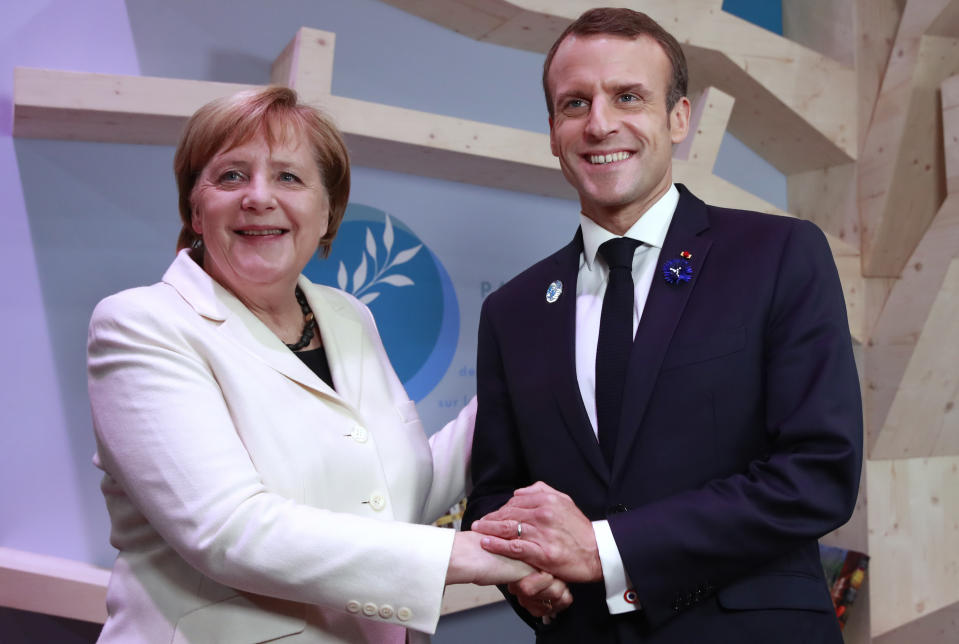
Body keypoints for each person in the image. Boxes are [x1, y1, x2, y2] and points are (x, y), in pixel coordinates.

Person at [86, 86, 546, 644]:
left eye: (288, 177)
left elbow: (390, 496)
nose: (258, 197)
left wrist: (520, 380)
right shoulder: (140, 325)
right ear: (194, 208)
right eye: (231, 176)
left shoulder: (345, 315)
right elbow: (231, 532)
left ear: (329, 212)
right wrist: (479, 556)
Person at [464, 7, 863, 643]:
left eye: (628, 96)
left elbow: (818, 472)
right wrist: (522, 573)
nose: (600, 124)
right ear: (552, 129)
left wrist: (604, 548)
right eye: (575, 103)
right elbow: (494, 495)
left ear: (678, 118)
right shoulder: (511, 311)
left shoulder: (779, 254)